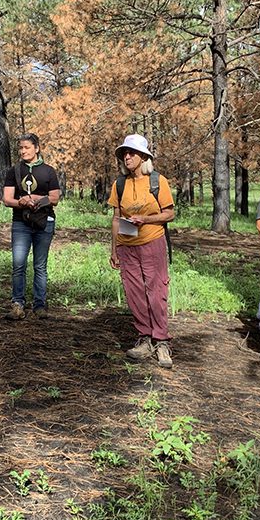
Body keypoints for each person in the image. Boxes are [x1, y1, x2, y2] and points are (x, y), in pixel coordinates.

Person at [108, 134, 176, 367]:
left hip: (152, 240)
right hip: (127, 245)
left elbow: (169, 214)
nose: (127, 157)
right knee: (134, 292)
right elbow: (117, 218)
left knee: (156, 291)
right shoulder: (119, 184)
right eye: (124, 153)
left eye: (132, 153)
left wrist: (145, 219)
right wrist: (114, 249)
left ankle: (161, 341)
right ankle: (144, 338)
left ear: (143, 157)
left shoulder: (158, 181)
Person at [2, 134, 61, 319]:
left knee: (40, 265)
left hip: (44, 222)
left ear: (36, 148)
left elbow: (55, 199)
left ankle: (40, 305)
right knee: (18, 264)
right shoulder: (14, 171)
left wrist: (36, 199)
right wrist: (21, 203)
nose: (23, 151)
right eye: (20, 148)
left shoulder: (49, 171)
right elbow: (7, 199)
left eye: (27, 147)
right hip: (21, 223)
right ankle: (17, 304)